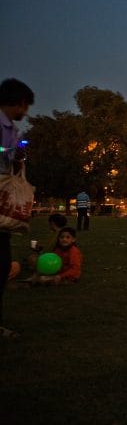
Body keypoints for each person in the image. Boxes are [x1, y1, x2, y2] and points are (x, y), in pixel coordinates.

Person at [0, 78, 34, 338]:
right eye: (25, 106)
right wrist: (9, 149)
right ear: (19, 102)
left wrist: (19, 154)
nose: (26, 113)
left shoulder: (11, 127)